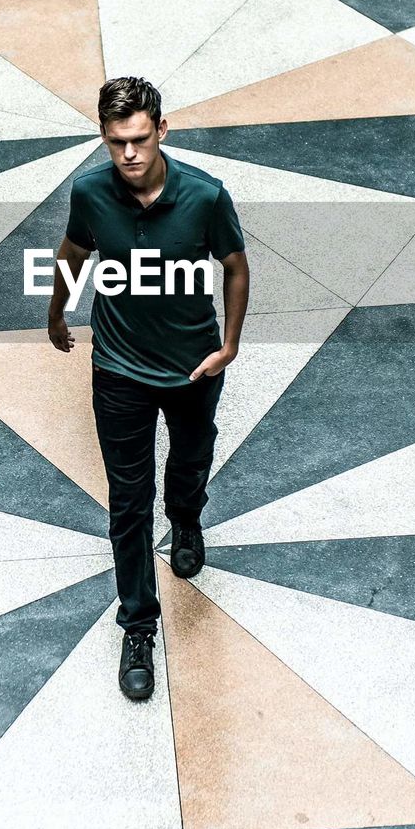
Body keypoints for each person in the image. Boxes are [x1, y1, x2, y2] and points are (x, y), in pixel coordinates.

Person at [47, 76, 250, 700]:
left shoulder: (206, 197)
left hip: (192, 369)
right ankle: (138, 624)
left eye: (139, 139)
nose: (129, 155)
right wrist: (56, 312)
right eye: (116, 143)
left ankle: (187, 518)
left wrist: (231, 344)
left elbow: (236, 266)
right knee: (127, 503)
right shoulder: (90, 193)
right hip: (118, 371)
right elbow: (74, 249)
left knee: (189, 463)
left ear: (162, 130)